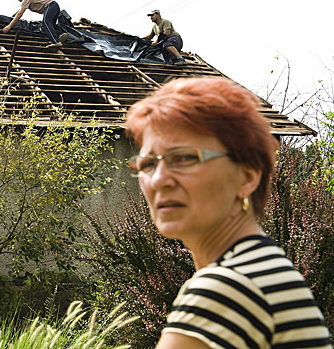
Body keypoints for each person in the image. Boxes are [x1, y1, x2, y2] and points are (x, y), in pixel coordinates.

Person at [125, 77, 332, 349]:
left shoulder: (226, 289)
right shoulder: (263, 268)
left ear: (246, 177)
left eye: (185, 158)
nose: (159, 179)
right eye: (148, 163)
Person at [3, 0, 68, 49]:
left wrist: (9, 26)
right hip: (54, 6)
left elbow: (20, 13)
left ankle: (56, 42)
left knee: (45, 22)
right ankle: (59, 37)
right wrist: (13, 16)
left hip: (50, 5)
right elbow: (20, 10)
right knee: (49, 26)